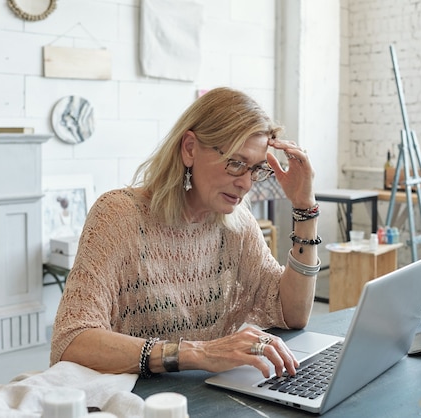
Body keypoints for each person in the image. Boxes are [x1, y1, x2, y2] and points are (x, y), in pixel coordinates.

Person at [50, 87, 321, 380]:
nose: (246, 183)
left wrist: (305, 208)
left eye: (255, 169)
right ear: (190, 148)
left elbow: (292, 314)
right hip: (134, 398)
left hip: (202, 394)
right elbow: (71, 342)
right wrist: (200, 353)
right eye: (235, 163)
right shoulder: (118, 216)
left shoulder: (237, 224)